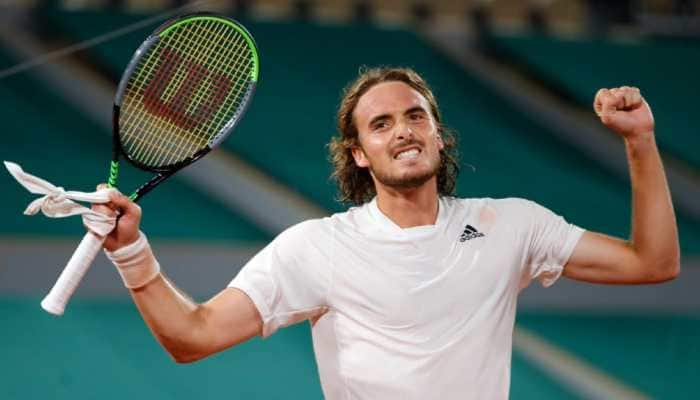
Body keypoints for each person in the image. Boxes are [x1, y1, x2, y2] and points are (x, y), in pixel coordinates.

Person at [95, 67, 679, 399]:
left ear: (439, 135)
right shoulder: (316, 247)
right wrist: (132, 252)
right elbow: (192, 337)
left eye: (415, 115)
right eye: (381, 124)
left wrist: (639, 141)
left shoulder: (511, 223)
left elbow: (652, 263)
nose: (402, 131)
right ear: (360, 154)